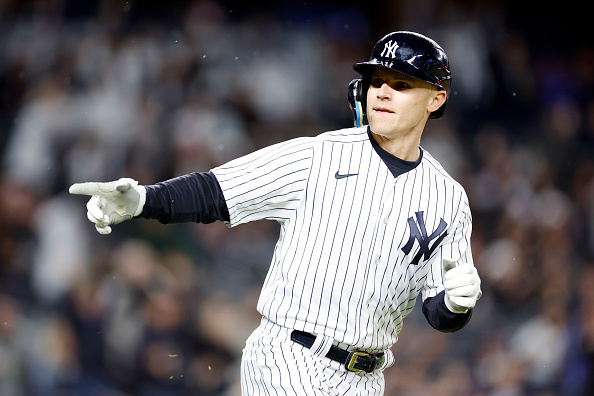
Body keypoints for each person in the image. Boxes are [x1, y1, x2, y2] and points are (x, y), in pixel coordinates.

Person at [70, 31, 481, 395]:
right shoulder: (318, 155)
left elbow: (438, 312)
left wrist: (457, 308)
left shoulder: (447, 197)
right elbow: (216, 191)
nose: (383, 92)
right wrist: (144, 200)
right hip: (289, 359)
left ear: (436, 99)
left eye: (402, 84)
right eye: (376, 81)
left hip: (367, 379)